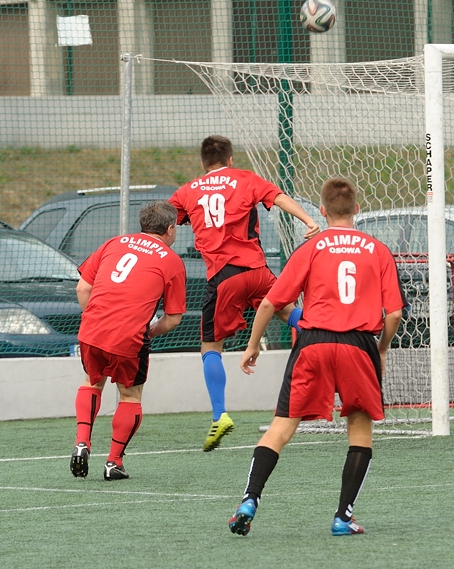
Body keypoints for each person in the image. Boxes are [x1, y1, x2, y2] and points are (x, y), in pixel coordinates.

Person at [227, 177, 406, 537]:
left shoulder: (312, 247)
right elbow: (394, 314)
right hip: (359, 345)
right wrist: (382, 349)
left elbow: (270, 303)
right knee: (359, 431)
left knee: (281, 428)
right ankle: (343, 517)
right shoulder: (377, 250)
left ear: (322, 211)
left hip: (313, 344)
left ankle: (249, 499)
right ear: (357, 209)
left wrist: (252, 345)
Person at [169, 135, 320, 451]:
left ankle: (219, 415)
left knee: (211, 346)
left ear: (203, 163)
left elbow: (166, 220)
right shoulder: (245, 178)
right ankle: (333, 331)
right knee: (285, 310)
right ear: (230, 159)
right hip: (257, 270)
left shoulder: (188, 190)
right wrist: (308, 220)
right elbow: (279, 197)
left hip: (224, 277)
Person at [70, 201, 187, 480]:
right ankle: (114, 462)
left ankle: (82, 442)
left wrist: (95, 318)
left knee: (91, 383)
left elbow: (83, 288)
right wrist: (149, 332)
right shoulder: (172, 261)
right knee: (130, 395)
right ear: (170, 229)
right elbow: (173, 319)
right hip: (128, 337)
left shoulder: (114, 243)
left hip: (91, 330)